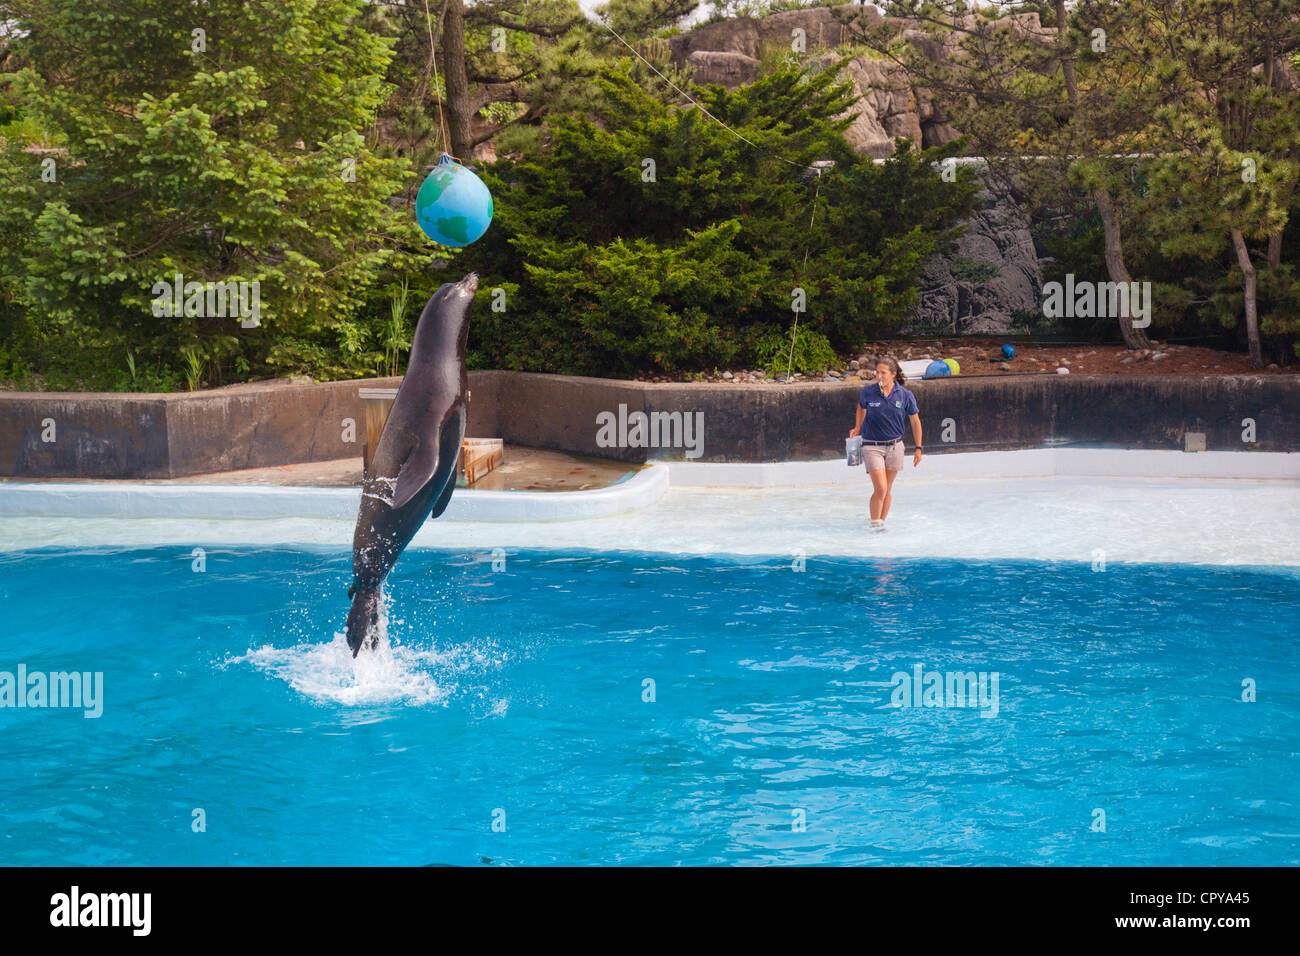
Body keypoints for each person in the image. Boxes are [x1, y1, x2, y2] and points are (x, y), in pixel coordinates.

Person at [848, 356, 922, 530]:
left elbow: (915, 421)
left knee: (887, 489)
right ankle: (875, 525)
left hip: (895, 446)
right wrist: (857, 427)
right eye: (877, 372)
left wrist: (918, 448)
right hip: (872, 446)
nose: (879, 376)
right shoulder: (868, 391)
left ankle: (879, 523)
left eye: (883, 373)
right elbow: (861, 407)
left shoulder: (905, 395)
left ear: (893, 374)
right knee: (880, 487)